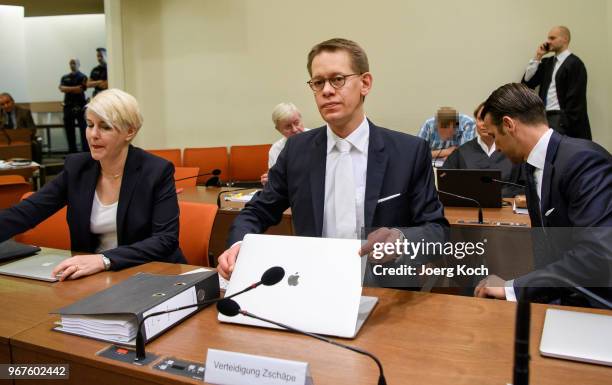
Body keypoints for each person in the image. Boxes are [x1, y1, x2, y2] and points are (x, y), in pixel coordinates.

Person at [218, 38, 448, 280]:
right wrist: (239, 243)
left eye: (337, 79)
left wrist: (401, 240)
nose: (326, 90)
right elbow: (257, 211)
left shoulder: (408, 152)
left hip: (385, 289)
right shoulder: (297, 150)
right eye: (318, 82)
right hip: (313, 284)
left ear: (365, 83)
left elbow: (436, 230)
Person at [0, 89, 186, 280]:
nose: (93, 135)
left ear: (129, 132)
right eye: (89, 125)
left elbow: (165, 240)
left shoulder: (156, 171)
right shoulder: (77, 168)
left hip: (152, 275)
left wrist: (104, 260)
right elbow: (28, 212)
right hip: (94, 278)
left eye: (105, 127)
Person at [474, 83, 611, 307]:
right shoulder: (531, 167)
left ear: (508, 125)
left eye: (494, 136)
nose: (496, 148)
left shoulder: (584, 161)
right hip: (557, 301)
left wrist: (514, 287)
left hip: (597, 306)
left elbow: (596, 256)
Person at [521, 26, 591, 140]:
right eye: (548, 38)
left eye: (552, 38)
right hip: (545, 119)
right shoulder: (547, 63)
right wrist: (538, 56)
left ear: (565, 39)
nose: (548, 41)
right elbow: (527, 83)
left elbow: (576, 99)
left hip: (562, 121)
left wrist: (565, 122)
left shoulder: (575, 64)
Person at [442, 102, 523, 197]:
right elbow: (446, 184)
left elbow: (524, 187)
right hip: (470, 207)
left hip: (507, 207)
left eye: (489, 120)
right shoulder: (460, 153)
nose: (484, 124)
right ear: (475, 121)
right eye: (480, 119)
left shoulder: (515, 151)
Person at [260, 102, 308, 185]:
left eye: (296, 123)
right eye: (288, 127)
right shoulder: (276, 149)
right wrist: (270, 181)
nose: (295, 129)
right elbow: (276, 181)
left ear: (301, 119)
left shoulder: (319, 139)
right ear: (278, 129)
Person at [0, 92, 43, 163]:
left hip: (21, 140)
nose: (6, 106)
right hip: (4, 141)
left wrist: (22, 134)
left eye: (8, 102)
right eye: (2, 104)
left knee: (33, 145)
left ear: (13, 101)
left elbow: (32, 129)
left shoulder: (24, 112)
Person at [59, 58, 89, 153]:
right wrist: (74, 88)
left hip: (80, 106)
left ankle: (85, 152)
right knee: (69, 130)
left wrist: (67, 88)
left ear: (79, 64)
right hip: (68, 106)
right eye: (71, 63)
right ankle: (72, 152)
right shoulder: (64, 77)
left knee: (83, 130)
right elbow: (61, 89)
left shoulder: (83, 77)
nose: (72, 65)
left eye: (74, 63)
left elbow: (81, 89)